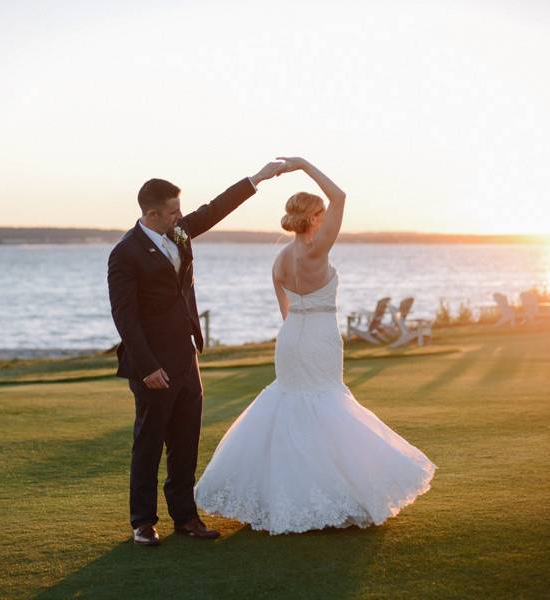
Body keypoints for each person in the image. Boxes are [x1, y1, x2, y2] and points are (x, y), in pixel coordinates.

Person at [194, 157, 437, 535]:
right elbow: (340, 195)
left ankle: (288, 499)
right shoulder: (315, 250)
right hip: (321, 336)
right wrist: (303, 164)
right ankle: (329, 495)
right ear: (314, 218)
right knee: (327, 406)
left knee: (291, 406)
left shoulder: (279, 260)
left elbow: (285, 311)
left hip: (291, 338)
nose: (327, 217)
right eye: (322, 213)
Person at [107, 160, 287, 546]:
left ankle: (186, 518)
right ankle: (143, 523)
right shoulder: (125, 253)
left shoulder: (178, 232)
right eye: (173, 211)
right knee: (149, 443)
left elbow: (214, 209)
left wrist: (256, 178)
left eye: (179, 210)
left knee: (186, 442)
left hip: (186, 357)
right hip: (152, 365)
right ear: (152, 214)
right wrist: (148, 366)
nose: (181, 216)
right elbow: (125, 317)